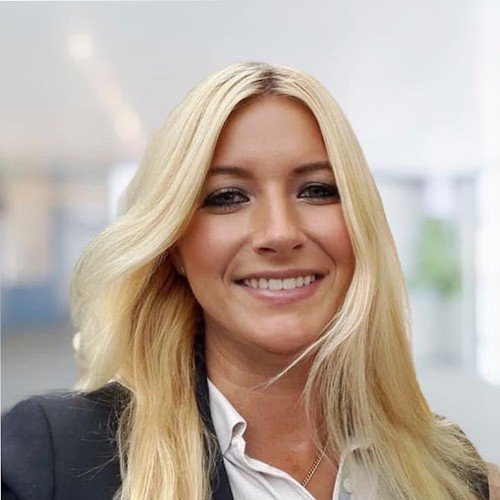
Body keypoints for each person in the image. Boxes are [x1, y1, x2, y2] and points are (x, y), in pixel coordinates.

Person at [1, 62, 493, 499]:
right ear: (174, 245)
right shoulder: (51, 458)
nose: (280, 233)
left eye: (317, 190)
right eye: (228, 197)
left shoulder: (449, 470)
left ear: (361, 224)